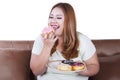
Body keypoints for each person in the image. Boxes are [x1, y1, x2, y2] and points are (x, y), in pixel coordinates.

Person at [30, 2, 99, 80]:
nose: (53, 21)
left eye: (59, 18)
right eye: (51, 17)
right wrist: (47, 46)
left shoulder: (83, 40)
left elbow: (94, 66)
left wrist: (81, 70)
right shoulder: (41, 39)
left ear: (69, 21)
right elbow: (36, 71)